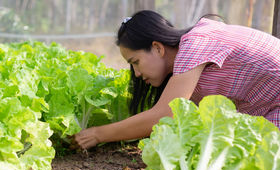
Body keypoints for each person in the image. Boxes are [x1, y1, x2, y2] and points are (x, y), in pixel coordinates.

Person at [75, 10, 280, 149]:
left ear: (157, 47)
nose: (136, 73)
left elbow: (164, 115)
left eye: (135, 62)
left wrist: (98, 134)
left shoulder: (194, 44)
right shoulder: (186, 69)